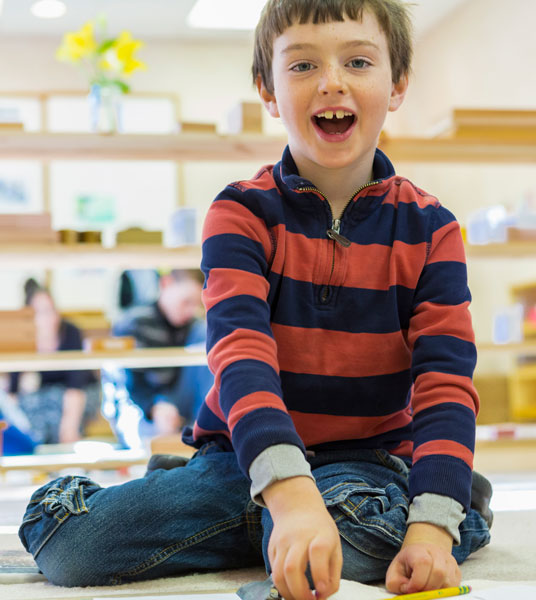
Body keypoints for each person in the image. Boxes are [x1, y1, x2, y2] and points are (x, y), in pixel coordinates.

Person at [18, 1, 491, 597]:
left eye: (359, 61)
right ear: (267, 91)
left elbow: (446, 382)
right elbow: (239, 353)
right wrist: (289, 497)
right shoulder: (239, 211)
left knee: (365, 534)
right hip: (237, 459)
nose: (331, 81)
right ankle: (271, 521)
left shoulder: (432, 228)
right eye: (301, 66)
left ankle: (441, 501)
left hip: (365, 463)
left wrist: (431, 527)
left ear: (396, 85)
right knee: (72, 546)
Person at [104, 268, 210, 448]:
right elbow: (126, 384)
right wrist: (153, 408)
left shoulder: (194, 328)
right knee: (142, 435)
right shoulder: (133, 323)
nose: (191, 311)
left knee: (208, 333)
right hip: (142, 404)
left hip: (179, 405)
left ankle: (205, 430)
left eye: (197, 304)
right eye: (186, 301)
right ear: (166, 284)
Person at [0, 278, 98, 446]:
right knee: (30, 406)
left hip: (76, 395)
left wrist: (69, 430)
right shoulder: (23, 338)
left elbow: (76, 386)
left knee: (53, 404)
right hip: (41, 401)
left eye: (51, 310)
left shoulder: (70, 332)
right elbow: (13, 392)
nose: (49, 317)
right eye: (41, 311)